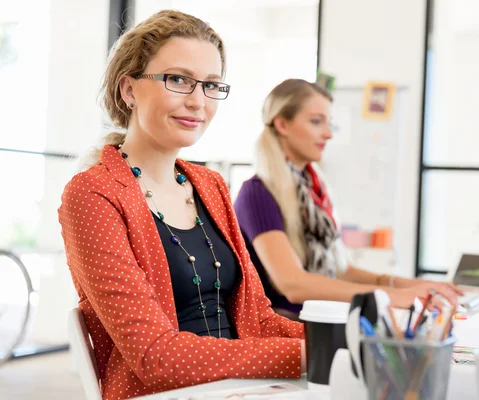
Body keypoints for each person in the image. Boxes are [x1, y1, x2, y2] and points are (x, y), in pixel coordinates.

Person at [58, 11, 304, 400]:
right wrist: (308, 355)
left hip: (243, 388)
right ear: (129, 90)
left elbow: (258, 318)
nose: (197, 102)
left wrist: (345, 339)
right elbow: (155, 357)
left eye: (210, 85)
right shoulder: (93, 194)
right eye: (178, 80)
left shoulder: (210, 185)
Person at [233, 79, 463, 320]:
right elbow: (293, 285)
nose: (329, 134)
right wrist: (391, 296)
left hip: (320, 321)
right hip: (285, 332)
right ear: (282, 124)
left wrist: (407, 284)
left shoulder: (314, 192)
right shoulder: (257, 193)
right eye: (316, 121)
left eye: (329, 123)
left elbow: (342, 271)